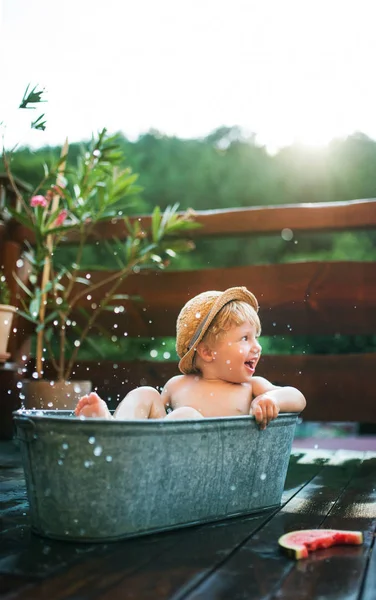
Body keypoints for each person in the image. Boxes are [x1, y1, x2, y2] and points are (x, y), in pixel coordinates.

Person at [75, 286, 306, 429]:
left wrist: (271, 401)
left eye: (255, 338)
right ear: (207, 352)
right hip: (162, 458)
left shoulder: (251, 387)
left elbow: (297, 398)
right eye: (244, 338)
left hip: (209, 466)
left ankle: (122, 441)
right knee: (144, 393)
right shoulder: (177, 385)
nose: (257, 347)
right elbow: (152, 416)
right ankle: (114, 430)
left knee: (186, 416)